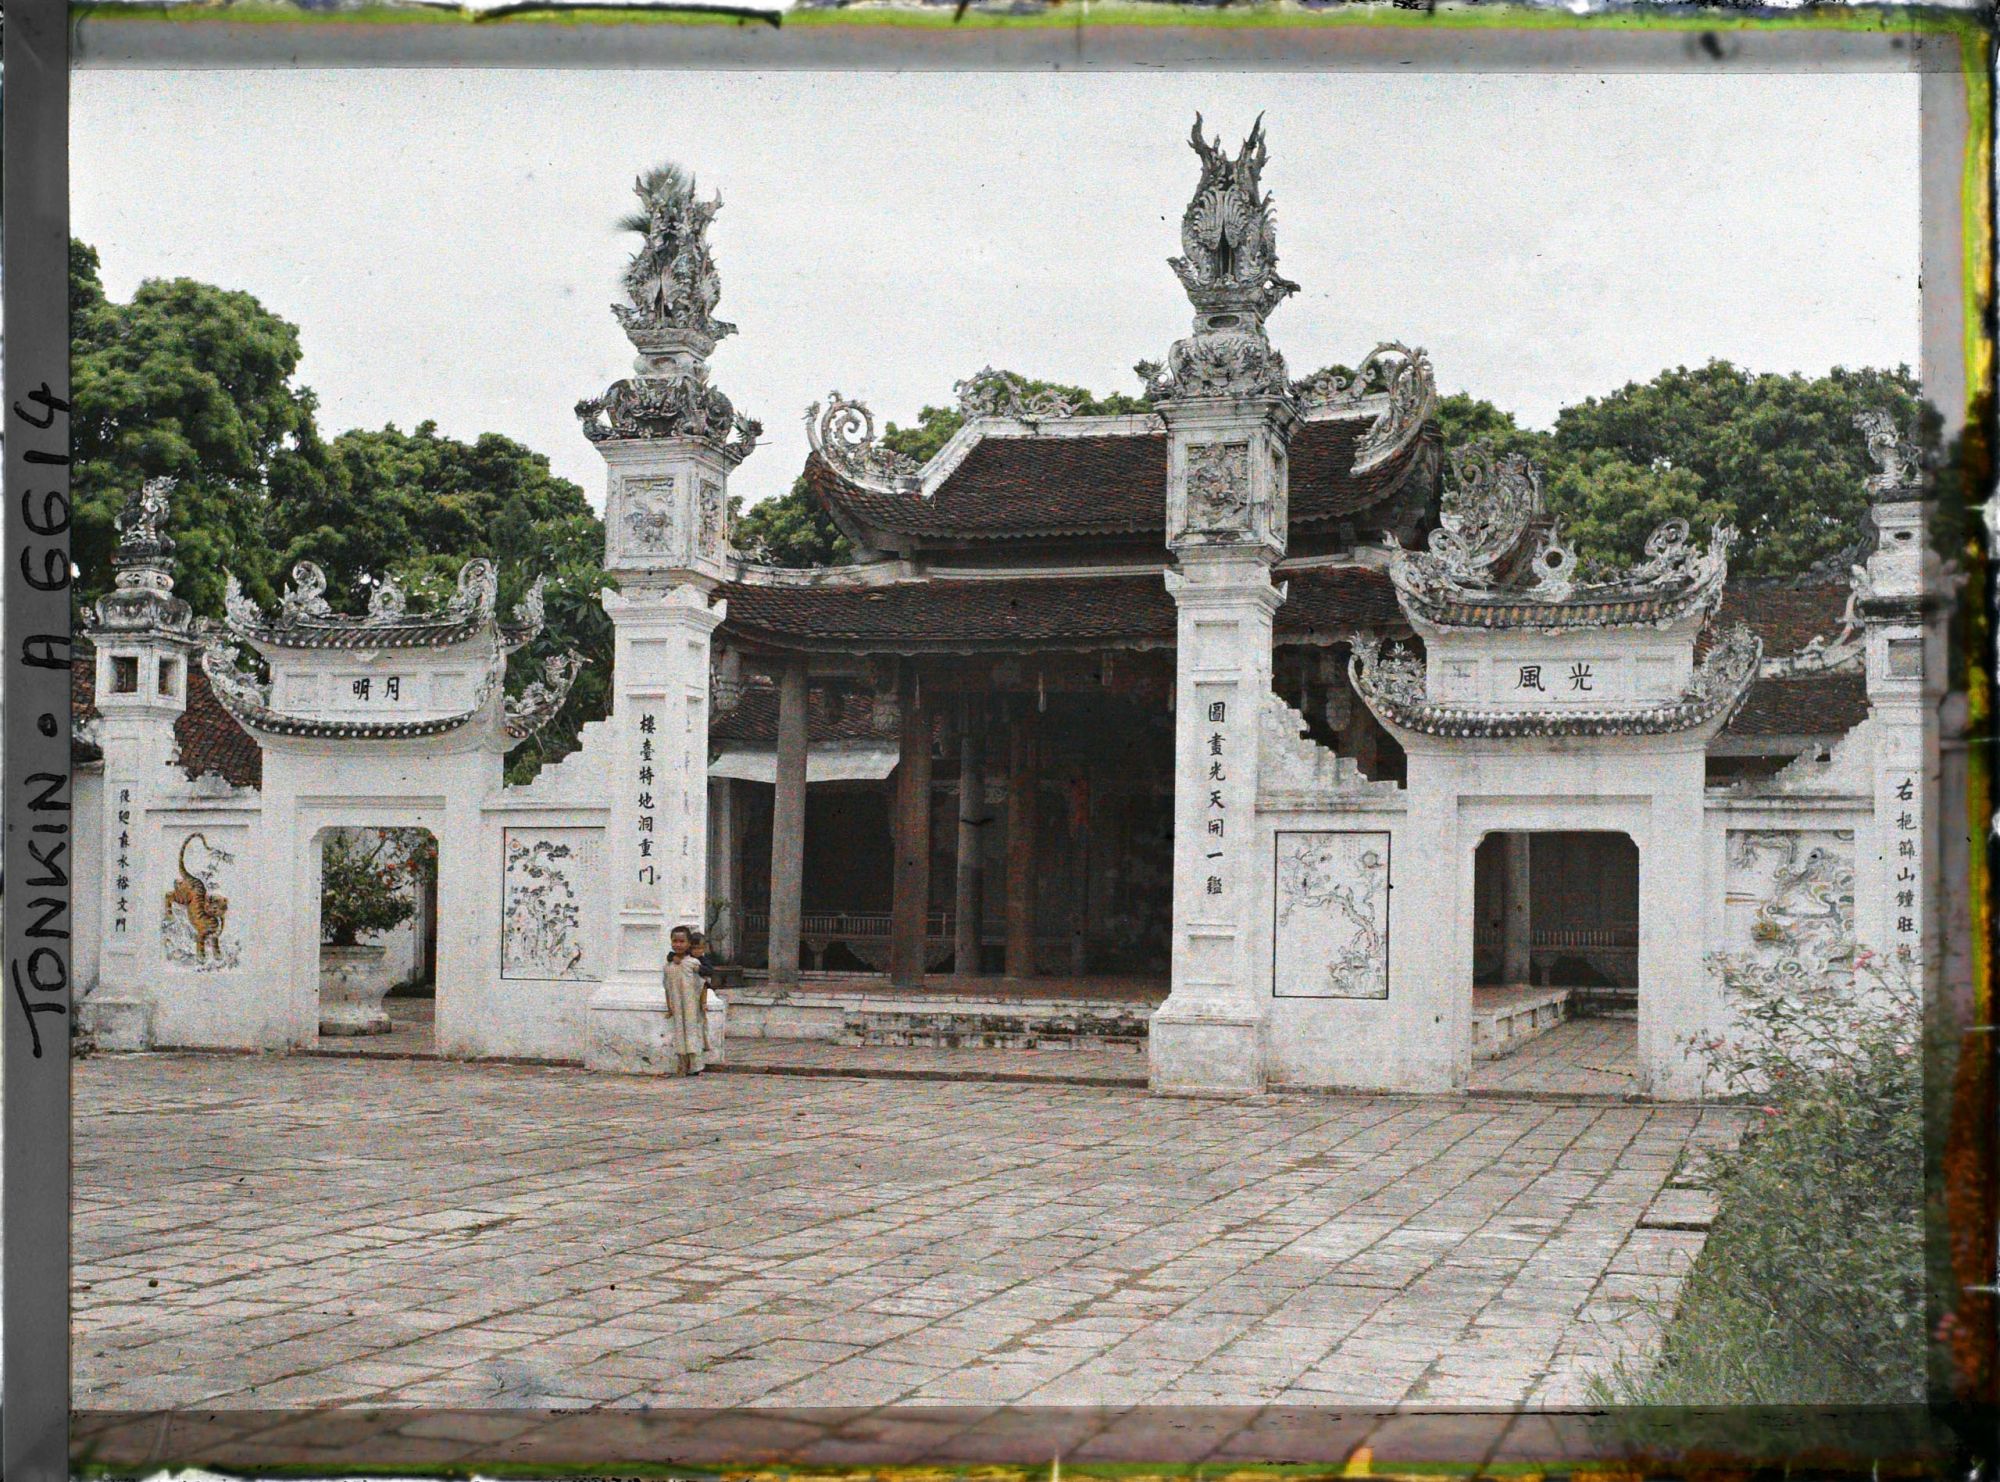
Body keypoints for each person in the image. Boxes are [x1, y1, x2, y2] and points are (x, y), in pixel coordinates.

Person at [662, 924, 709, 1076]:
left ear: (689, 944)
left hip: (691, 1005)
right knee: (679, 1032)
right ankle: (682, 1064)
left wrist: (703, 1002)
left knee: (692, 1031)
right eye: (675, 941)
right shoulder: (668, 966)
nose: (678, 944)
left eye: (682, 942)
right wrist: (669, 1005)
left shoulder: (694, 963)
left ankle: (696, 1065)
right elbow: (667, 987)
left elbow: (703, 983)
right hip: (677, 1005)